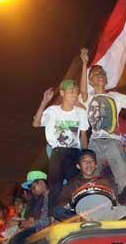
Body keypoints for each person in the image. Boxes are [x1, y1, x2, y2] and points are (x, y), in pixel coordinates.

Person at [80, 50, 126, 192]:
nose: (101, 75)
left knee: (123, 178)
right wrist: (84, 63)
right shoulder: (88, 98)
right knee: (90, 179)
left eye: (103, 74)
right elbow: (83, 92)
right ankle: (93, 207)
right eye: (97, 74)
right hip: (94, 142)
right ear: (90, 81)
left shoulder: (116, 96)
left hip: (113, 141)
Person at [33, 80, 89, 211]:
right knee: (56, 187)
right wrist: (44, 102)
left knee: (75, 184)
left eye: (76, 93)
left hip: (74, 152)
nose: (74, 95)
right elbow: (36, 123)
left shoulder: (80, 112)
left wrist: (85, 153)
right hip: (57, 152)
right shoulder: (52, 111)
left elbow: (83, 135)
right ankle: (53, 217)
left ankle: (77, 212)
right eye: (71, 92)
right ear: (62, 93)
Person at [54, 150, 126, 222]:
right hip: (82, 216)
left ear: (96, 165)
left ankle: (97, 222)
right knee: (58, 211)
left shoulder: (105, 181)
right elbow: (62, 202)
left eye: (91, 161)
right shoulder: (72, 184)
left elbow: (115, 200)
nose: (89, 164)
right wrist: (68, 204)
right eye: (85, 161)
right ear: (78, 166)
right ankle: (86, 222)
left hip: (103, 213)